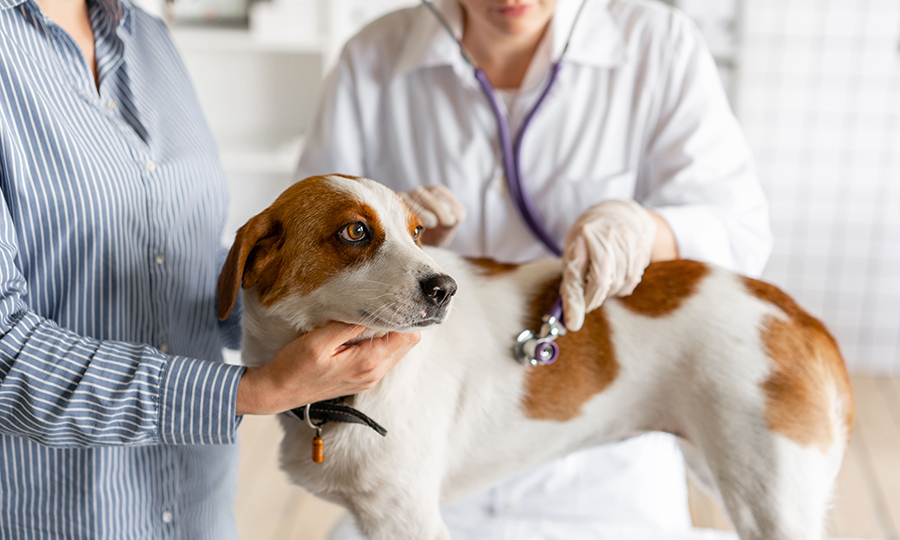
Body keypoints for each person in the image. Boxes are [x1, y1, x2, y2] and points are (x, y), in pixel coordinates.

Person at [295, 0, 772, 537]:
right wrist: (400, 240)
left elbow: (741, 233)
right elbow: (306, 243)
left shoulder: (658, 44)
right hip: (408, 449)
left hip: (603, 461)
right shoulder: (373, 57)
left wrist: (643, 229)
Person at [0, 0, 418, 537]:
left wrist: (368, 277)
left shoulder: (148, 38)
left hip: (198, 502)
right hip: (62, 512)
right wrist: (254, 392)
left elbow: (183, 259)